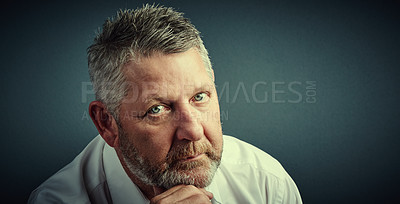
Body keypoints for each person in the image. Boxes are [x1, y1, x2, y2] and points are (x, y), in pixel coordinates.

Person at [28, 4, 302, 204]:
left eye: (199, 97)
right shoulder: (55, 200)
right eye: (157, 109)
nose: (193, 132)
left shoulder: (266, 184)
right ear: (107, 123)